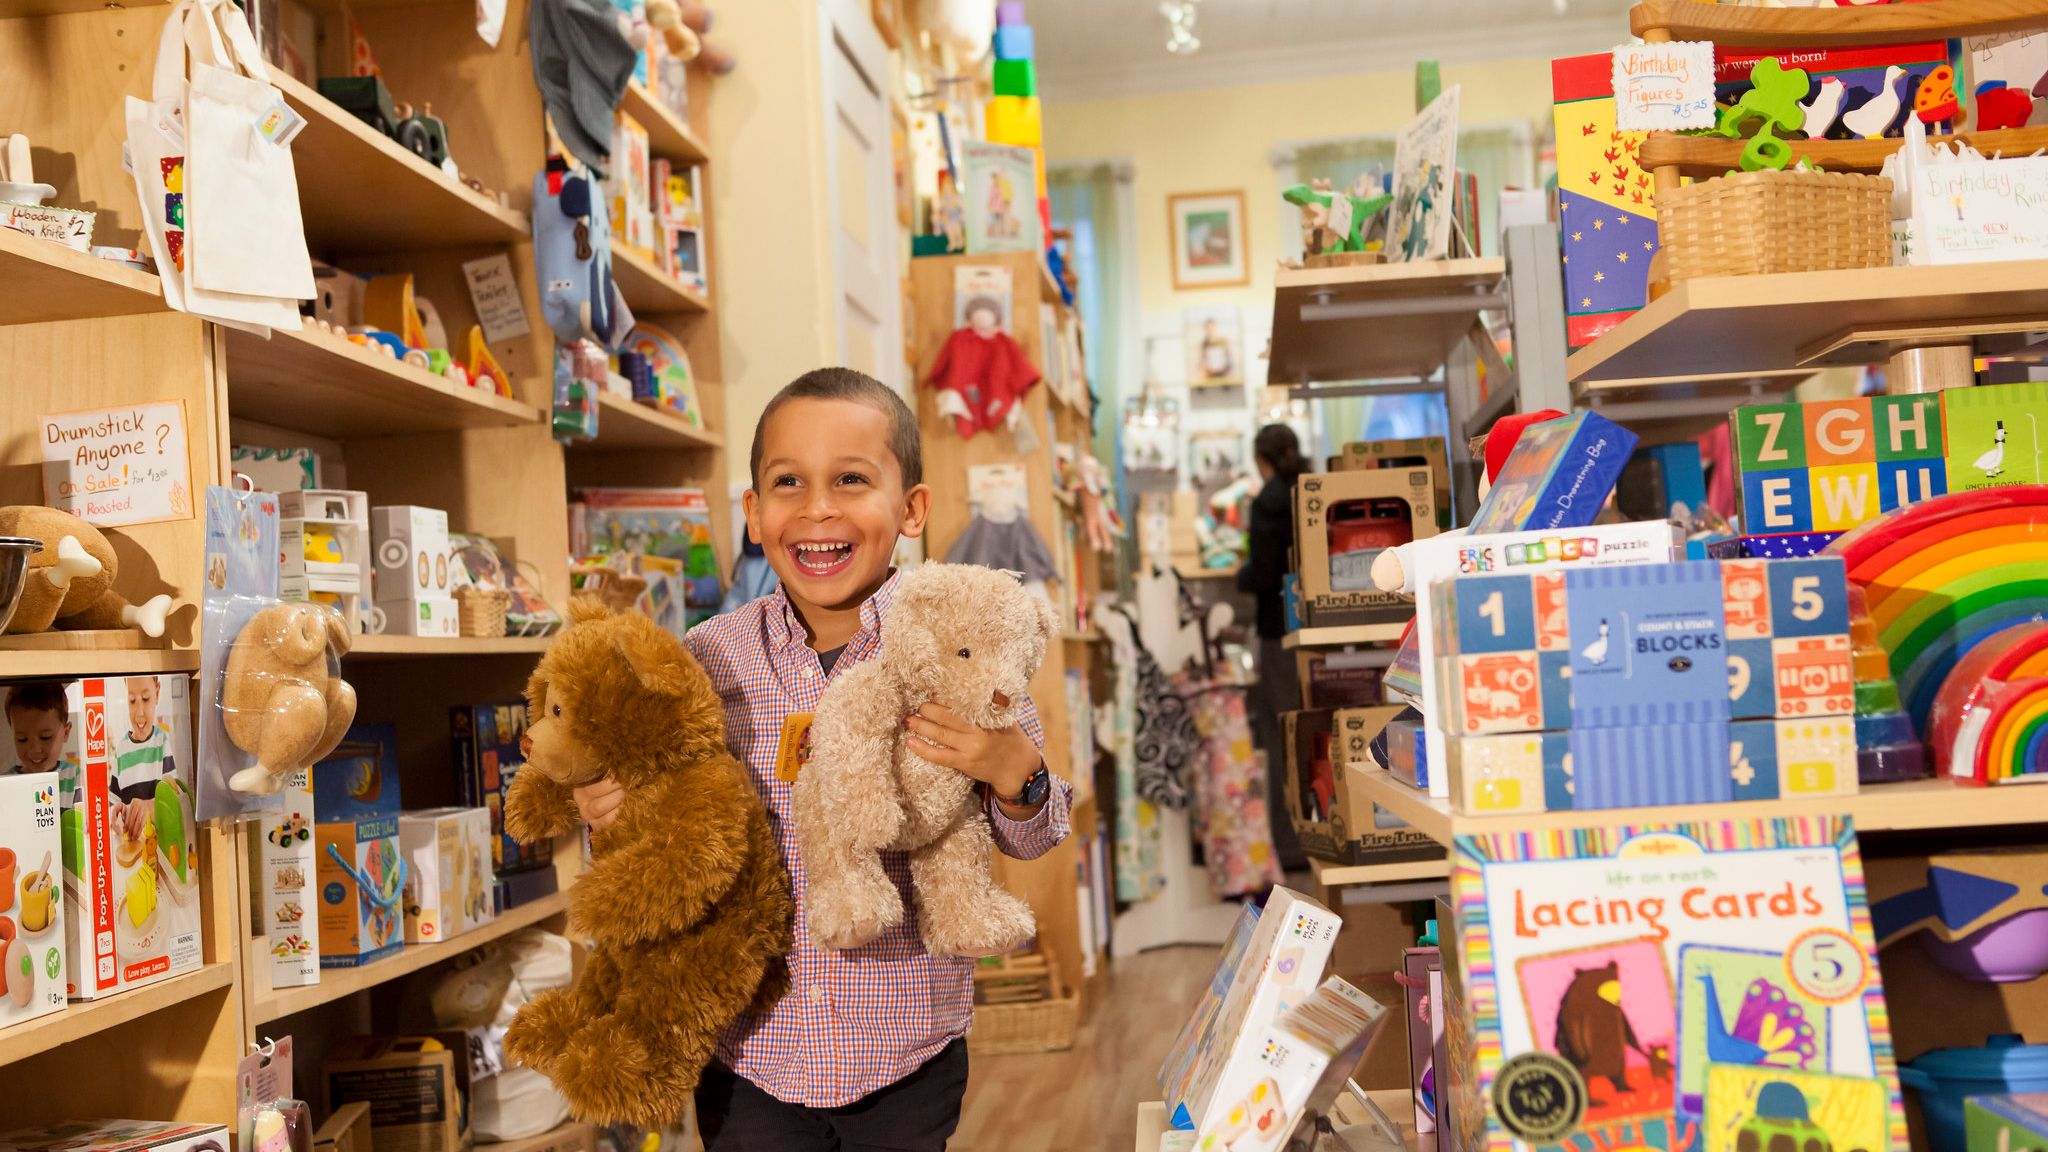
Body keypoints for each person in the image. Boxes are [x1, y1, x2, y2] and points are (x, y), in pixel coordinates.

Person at [571, 367, 1071, 1151]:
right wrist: (611, 820)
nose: (817, 509)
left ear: (911, 509)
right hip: (751, 1051)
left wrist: (1015, 770)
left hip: (908, 1050)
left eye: (850, 479)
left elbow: (1035, 835)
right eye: (787, 483)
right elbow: (669, 836)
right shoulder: (708, 659)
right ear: (753, 514)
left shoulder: (959, 639)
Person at [1238, 423, 1308, 871]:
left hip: (1278, 631)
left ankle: (1289, 847)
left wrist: (1239, 576)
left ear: (1261, 460)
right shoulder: (1311, 488)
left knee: (1282, 734)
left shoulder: (1267, 502)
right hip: (1319, 629)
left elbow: (1262, 574)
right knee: (1313, 729)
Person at [114, 675, 176, 840]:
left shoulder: (163, 742)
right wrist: (114, 812)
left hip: (158, 850)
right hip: (132, 851)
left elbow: (174, 803)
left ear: (157, 692)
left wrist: (150, 807)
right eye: (132, 701)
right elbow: (112, 804)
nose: (139, 713)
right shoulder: (120, 751)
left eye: (146, 699)